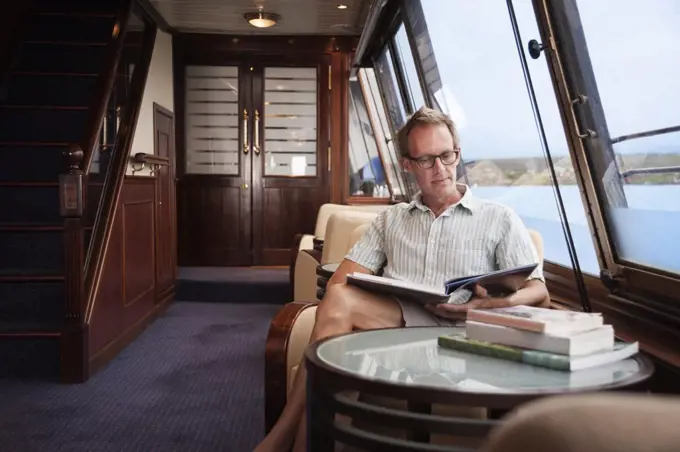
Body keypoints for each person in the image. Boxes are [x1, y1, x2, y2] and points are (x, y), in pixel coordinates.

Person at [254, 106, 549, 452]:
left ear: (457, 153)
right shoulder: (391, 219)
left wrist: (493, 303)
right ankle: (302, 441)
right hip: (398, 324)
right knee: (337, 299)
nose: (440, 169)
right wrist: (378, 285)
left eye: (447, 155)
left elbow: (539, 292)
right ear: (408, 165)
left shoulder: (499, 218)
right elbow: (340, 284)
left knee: (332, 338)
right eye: (426, 160)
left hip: (465, 333)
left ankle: (282, 436)